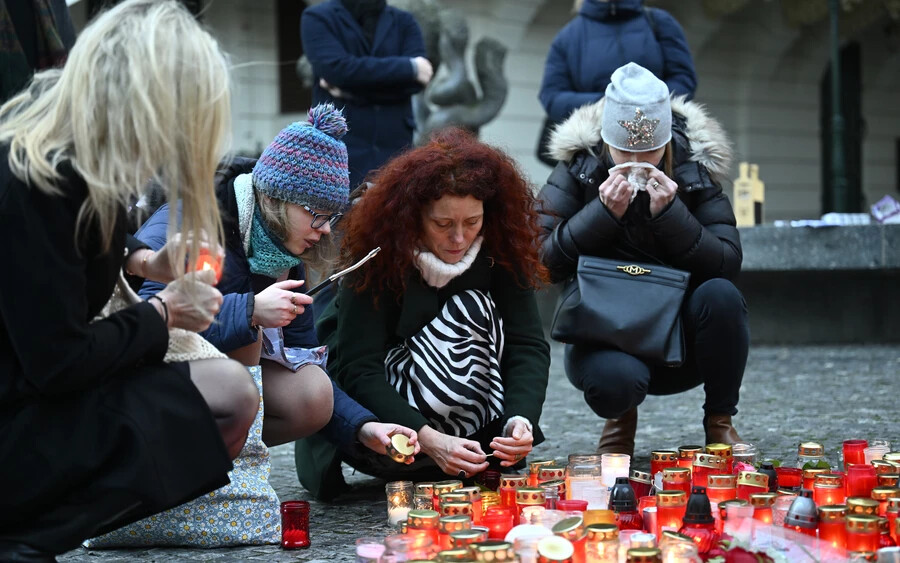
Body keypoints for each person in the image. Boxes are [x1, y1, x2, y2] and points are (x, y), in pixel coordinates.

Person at [0, 1, 258, 559]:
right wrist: (163, 314)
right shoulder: (41, 178)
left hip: (32, 391)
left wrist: (147, 263)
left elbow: (66, 261)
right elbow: (57, 362)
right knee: (222, 397)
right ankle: (22, 537)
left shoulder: (77, 151)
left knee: (233, 393)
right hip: (18, 413)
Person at [136, 104, 420, 460]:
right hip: (147, 388)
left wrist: (363, 427)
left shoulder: (282, 249)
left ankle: (216, 462)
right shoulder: (193, 224)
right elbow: (142, 326)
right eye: (317, 214)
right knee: (249, 335)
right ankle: (180, 463)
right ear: (274, 198)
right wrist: (250, 311)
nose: (326, 229)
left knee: (313, 393)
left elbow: (302, 356)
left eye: (331, 216)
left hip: (218, 391)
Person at [297, 128, 551, 500]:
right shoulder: (375, 256)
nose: (459, 239)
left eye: (472, 222)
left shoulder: (501, 251)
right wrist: (428, 439)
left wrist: (520, 419)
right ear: (413, 216)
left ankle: (470, 441)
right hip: (391, 431)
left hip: (475, 426)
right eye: (443, 224)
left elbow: (527, 343)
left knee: (475, 308)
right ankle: (435, 450)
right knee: (469, 308)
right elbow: (358, 368)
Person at [537, 63, 748, 455]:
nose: (638, 160)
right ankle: (619, 421)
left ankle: (720, 421)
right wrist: (600, 216)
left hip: (679, 338)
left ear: (667, 140)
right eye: (625, 150)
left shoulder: (692, 169)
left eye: (650, 150)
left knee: (722, 296)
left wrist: (672, 216)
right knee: (613, 382)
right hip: (603, 332)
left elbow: (727, 264)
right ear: (605, 138)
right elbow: (540, 261)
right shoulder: (578, 169)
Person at [536, 0, 697, 165]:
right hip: (593, 153)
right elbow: (551, 96)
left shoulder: (659, 22)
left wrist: (648, 105)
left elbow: (683, 79)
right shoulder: (568, 37)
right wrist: (610, 104)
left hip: (655, 145)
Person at [301, 0, 433, 191]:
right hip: (340, 151)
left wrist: (349, 89)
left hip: (394, 150)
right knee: (339, 219)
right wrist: (409, 68)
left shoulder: (404, 21)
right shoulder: (318, 17)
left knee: (393, 215)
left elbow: (417, 82)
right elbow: (335, 70)